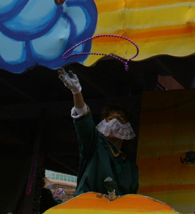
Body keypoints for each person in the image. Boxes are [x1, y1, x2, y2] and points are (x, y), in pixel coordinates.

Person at [58, 68, 139, 197]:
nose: (114, 123)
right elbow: (84, 122)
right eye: (110, 119)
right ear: (103, 125)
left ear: (128, 128)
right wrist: (77, 91)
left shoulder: (131, 168)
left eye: (120, 120)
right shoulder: (95, 145)